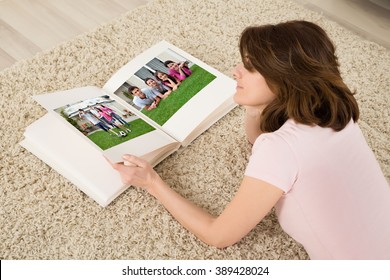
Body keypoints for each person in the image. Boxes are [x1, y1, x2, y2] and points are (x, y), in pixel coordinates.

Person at [111, 21, 390, 259]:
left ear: (285, 80)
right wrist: (255, 103)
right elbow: (259, 143)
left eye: (249, 68)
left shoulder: (281, 147)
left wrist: (152, 182)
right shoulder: (338, 111)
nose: (235, 71)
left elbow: (219, 235)